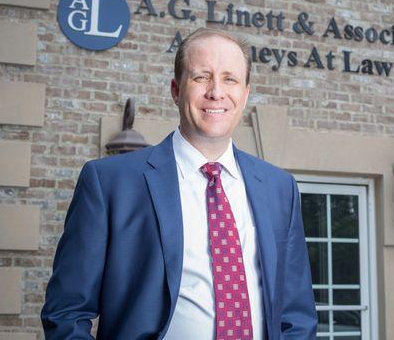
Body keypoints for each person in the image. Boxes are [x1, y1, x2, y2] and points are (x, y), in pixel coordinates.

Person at [41, 28, 317, 339]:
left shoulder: (279, 188)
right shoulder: (109, 183)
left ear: (245, 93)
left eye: (230, 79)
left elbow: (297, 313)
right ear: (176, 89)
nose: (216, 92)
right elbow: (66, 312)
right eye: (202, 77)